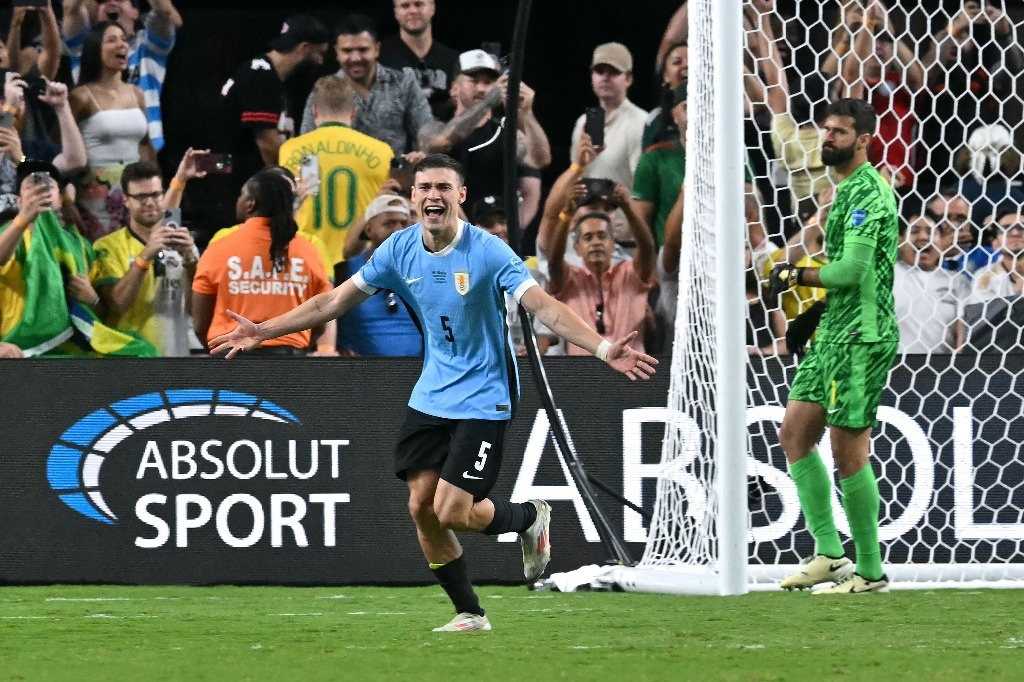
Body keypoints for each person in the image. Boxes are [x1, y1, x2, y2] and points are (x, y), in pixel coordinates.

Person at [208, 154, 658, 631]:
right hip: (432, 393)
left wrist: (603, 348)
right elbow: (333, 301)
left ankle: (528, 518)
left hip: (486, 393)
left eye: (443, 187)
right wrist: (263, 330)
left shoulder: (488, 251)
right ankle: (470, 613)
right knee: (422, 507)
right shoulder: (399, 249)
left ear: (460, 195)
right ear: (414, 197)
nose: (433, 196)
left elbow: (544, 307)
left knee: (453, 510)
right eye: (424, 188)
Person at [766, 98, 899, 594]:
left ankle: (871, 571)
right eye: (825, 130)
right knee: (794, 434)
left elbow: (853, 271)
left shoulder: (867, 192)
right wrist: (815, 314)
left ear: (863, 141)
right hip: (834, 332)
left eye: (839, 132)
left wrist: (795, 275)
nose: (827, 139)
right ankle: (829, 554)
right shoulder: (841, 191)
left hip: (862, 337)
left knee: (849, 453)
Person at [191, 169, 333, 357]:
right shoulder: (309, 252)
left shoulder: (219, 248)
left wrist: (218, 352)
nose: (238, 199)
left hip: (231, 359)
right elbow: (322, 317)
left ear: (251, 204)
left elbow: (200, 323)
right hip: (289, 361)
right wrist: (300, 346)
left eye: (241, 194)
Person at [420, 49, 550, 230]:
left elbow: (540, 160)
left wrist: (527, 113)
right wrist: (488, 102)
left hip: (492, 234)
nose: (482, 89)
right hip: (445, 233)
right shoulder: (434, 127)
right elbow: (440, 142)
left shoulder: (505, 133)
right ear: (454, 87)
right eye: (474, 81)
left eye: (488, 83)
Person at [214, 15, 330, 215]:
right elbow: (267, 145)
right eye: (320, 53)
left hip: (244, 182)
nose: (321, 61)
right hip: (233, 185)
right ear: (305, 48)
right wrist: (293, 183)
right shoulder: (261, 75)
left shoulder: (273, 78)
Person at [279, 75, 393, 276]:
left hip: (307, 262)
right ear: (353, 113)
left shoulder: (290, 150)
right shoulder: (382, 152)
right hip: (361, 266)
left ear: (314, 112)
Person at [92, 160, 197, 357]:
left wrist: (191, 264)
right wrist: (145, 256)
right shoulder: (107, 246)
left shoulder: (183, 244)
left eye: (155, 195)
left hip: (176, 356)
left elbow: (195, 311)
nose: (149, 202)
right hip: (130, 357)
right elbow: (118, 304)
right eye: (141, 197)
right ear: (126, 200)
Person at [299, 14, 433, 160]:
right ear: (337, 52)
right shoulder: (323, 90)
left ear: (377, 49)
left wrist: (422, 154)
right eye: (347, 51)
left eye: (363, 50)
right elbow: (307, 147)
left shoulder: (404, 83)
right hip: (341, 173)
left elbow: (426, 130)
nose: (355, 58)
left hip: (395, 172)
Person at [546, 183, 656, 355]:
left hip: (631, 367)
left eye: (602, 236)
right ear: (577, 248)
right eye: (588, 237)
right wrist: (567, 212)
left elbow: (647, 249)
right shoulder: (570, 280)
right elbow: (553, 261)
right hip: (581, 370)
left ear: (613, 244)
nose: (596, 242)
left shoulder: (631, 273)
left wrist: (627, 207)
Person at [68, 21, 154, 242]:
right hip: (95, 196)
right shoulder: (80, 96)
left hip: (134, 191)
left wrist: (153, 184)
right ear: (95, 49)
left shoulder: (137, 93)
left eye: (124, 40)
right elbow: (62, 148)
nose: (122, 45)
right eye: (112, 40)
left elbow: (145, 145)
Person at [62, 0, 182, 152]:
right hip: (94, 155)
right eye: (103, 1)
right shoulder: (84, 47)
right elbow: (71, 8)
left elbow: (164, 12)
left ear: (135, 12)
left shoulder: (149, 47)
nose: (112, 2)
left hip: (144, 156)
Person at [336, 193, 421, 357]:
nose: (398, 230)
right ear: (369, 230)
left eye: (404, 224)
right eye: (389, 224)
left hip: (416, 369)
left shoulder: (425, 271)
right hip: (358, 370)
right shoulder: (345, 272)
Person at [893, 213, 965, 354]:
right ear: (900, 240)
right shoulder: (887, 275)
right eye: (914, 231)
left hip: (941, 365)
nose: (924, 237)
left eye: (931, 232)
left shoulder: (958, 282)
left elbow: (964, 333)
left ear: (942, 242)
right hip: (894, 362)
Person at [378, 0, 458, 119]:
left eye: (419, 4)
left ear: (432, 8)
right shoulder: (378, 58)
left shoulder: (453, 59)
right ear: (396, 13)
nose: (413, 11)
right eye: (405, 6)